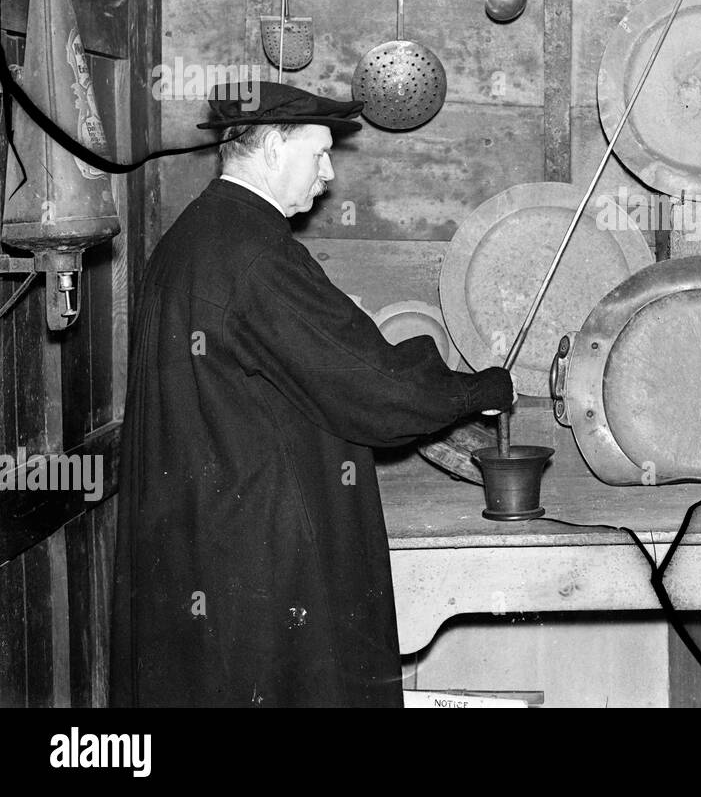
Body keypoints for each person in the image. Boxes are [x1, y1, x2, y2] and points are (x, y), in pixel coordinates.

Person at [110, 82, 514, 708]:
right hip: (262, 549)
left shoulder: (190, 238)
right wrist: (479, 388)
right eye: (319, 153)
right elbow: (373, 390)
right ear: (272, 148)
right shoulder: (258, 254)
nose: (328, 174)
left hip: (203, 536)